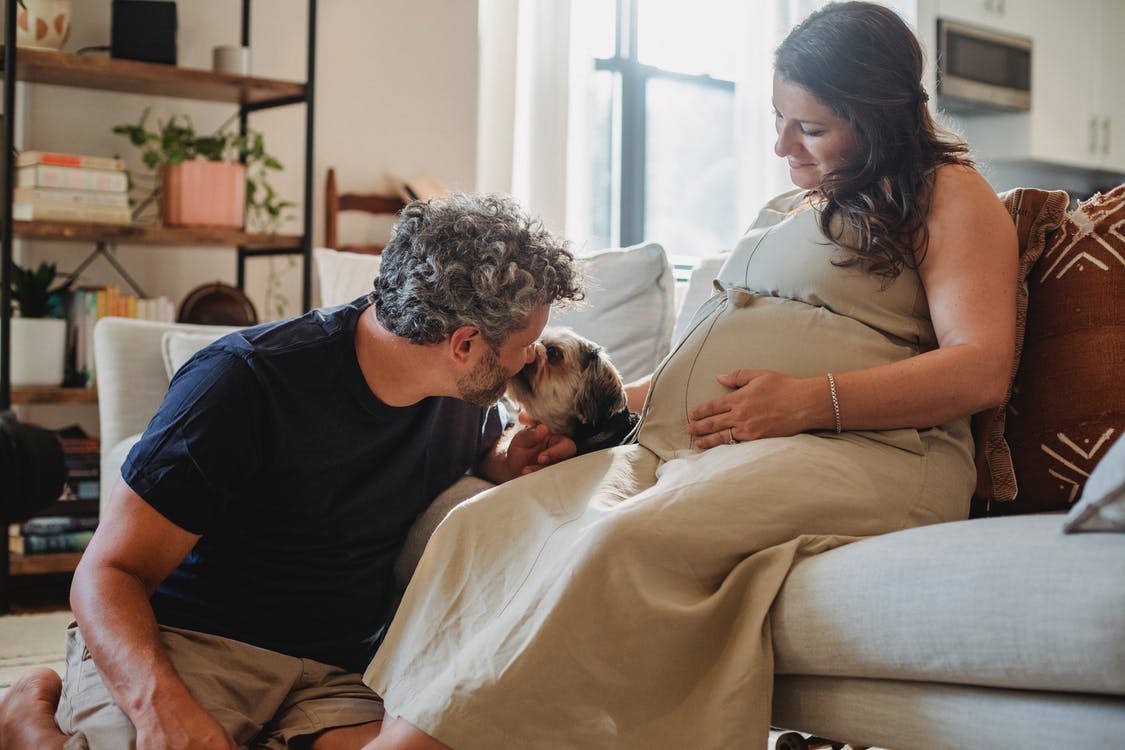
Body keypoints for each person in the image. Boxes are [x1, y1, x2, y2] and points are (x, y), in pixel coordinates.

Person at [357, 3, 1018, 749]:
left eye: (808, 128)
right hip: (690, 444)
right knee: (482, 524)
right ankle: (395, 733)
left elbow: (980, 368)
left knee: (620, 544)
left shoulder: (948, 194)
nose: (780, 145)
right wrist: (597, 415)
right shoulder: (792, 204)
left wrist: (808, 401)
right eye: (777, 118)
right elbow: (697, 361)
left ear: (879, 117)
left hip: (872, 453)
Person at [0, 193, 583, 750]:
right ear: (464, 343)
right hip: (190, 645)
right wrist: (161, 707)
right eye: (526, 343)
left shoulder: (462, 395)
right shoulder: (240, 383)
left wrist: (509, 459)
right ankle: (27, 716)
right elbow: (105, 573)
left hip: (333, 672)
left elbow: (475, 452)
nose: (530, 356)